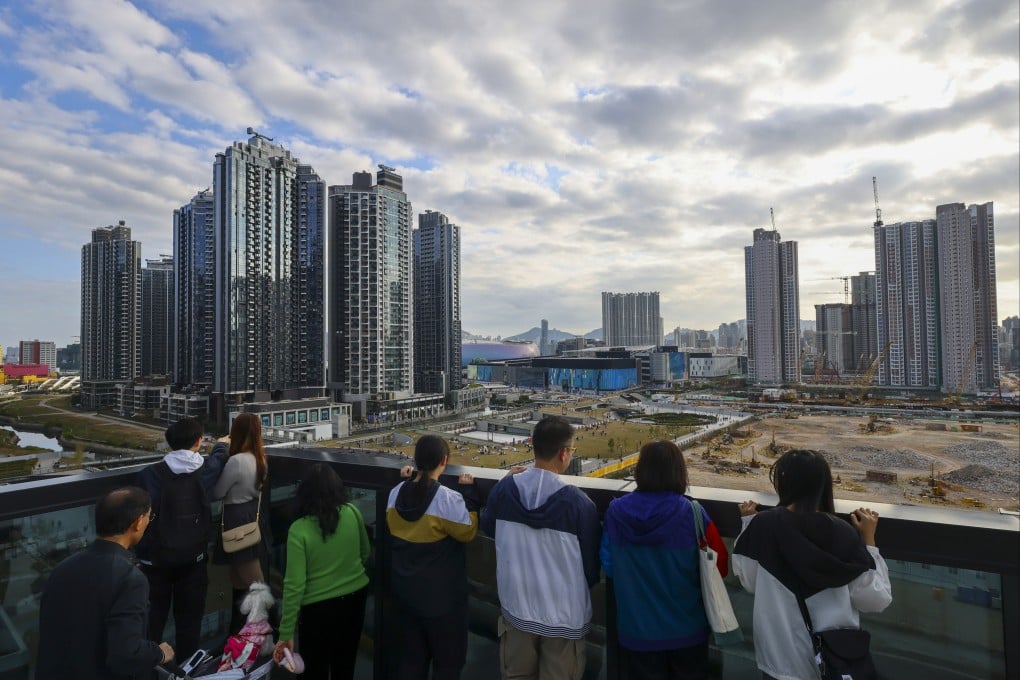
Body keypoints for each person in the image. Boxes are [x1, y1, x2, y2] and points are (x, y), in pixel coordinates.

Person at [733, 449, 893, 680]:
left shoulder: (763, 526)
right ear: (823, 484)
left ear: (783, 483)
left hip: (778, 662)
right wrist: (869, 541)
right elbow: (876, 600)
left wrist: (748, 522)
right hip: (832, 661)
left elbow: (749, 582)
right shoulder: (844, 534)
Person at [480, 416, 600, 680]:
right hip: (564, 620)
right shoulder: (580, 505)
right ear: (564, 453)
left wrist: (503, 482)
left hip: (517, 611)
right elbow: (591, 569)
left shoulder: (505, 491)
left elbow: (488, 526)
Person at [600, 440, 728, 680]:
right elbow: (720, 568)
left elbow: (609, 566)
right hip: (688, 631)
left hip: (636, 630)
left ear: (640, 470)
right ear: (679, 471)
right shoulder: (693, 513)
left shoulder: (615, 511)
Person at [37, 487, 174, 679]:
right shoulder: (130, 578)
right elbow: (125, 654)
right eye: (149, 518)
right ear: (138, 522)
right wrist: (158, 653)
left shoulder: (62, 569)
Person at [387, 435, 479, 680]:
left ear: (415, 461)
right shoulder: (448, 499)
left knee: (412, 661)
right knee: (448, 665)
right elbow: (468, 531)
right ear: (444, 461)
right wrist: (469, 495)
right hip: (443, 602)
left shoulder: (395, 495)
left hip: (406, 595)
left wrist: (408, 481)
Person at [135, 416, 227, 660]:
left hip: (155, 562)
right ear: (199, 442)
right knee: (190, 623)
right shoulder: (206, 470)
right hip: (193, 559)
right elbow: (219, 459)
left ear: (170, 443)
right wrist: (221, 445)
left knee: (151, 625)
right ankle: (188, 669)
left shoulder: (149, 475)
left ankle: (150, 670)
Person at [272, 463, 370, 680]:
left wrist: (286, 633)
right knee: (345, 665)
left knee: (314, 669)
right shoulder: (353, 512)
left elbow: (294, 585)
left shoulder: (299, 529)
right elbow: (365, 552)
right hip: (355, 599)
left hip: (318, 610)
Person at [212, 412, 270, 632]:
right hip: (252, 516)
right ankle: (240, 633)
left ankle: (264, 633)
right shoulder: (261, 458)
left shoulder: (236, 461)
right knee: (241, 579)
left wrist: (220, 449)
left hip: (235, 520)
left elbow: (218, 492)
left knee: (251, 582)